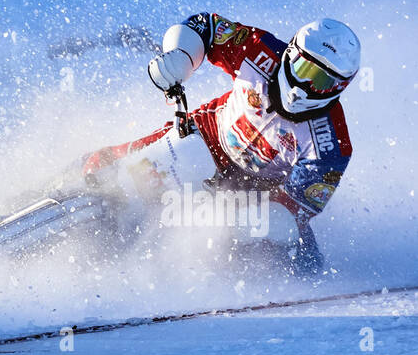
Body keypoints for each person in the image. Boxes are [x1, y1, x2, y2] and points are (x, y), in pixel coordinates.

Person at [84, 14, 359, 275]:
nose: (305, 86)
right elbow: (207, 26)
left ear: (339, 87)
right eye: (304, 68)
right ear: (291, 54)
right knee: (108, 161)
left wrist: (233, 221)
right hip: (204, 136)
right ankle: (60, 186)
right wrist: (180, 58)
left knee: (303, 258)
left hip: (255, 192)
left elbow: (294, 208)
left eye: (322, 80)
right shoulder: (257, 50)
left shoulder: (331, 144)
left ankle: (185, 280)